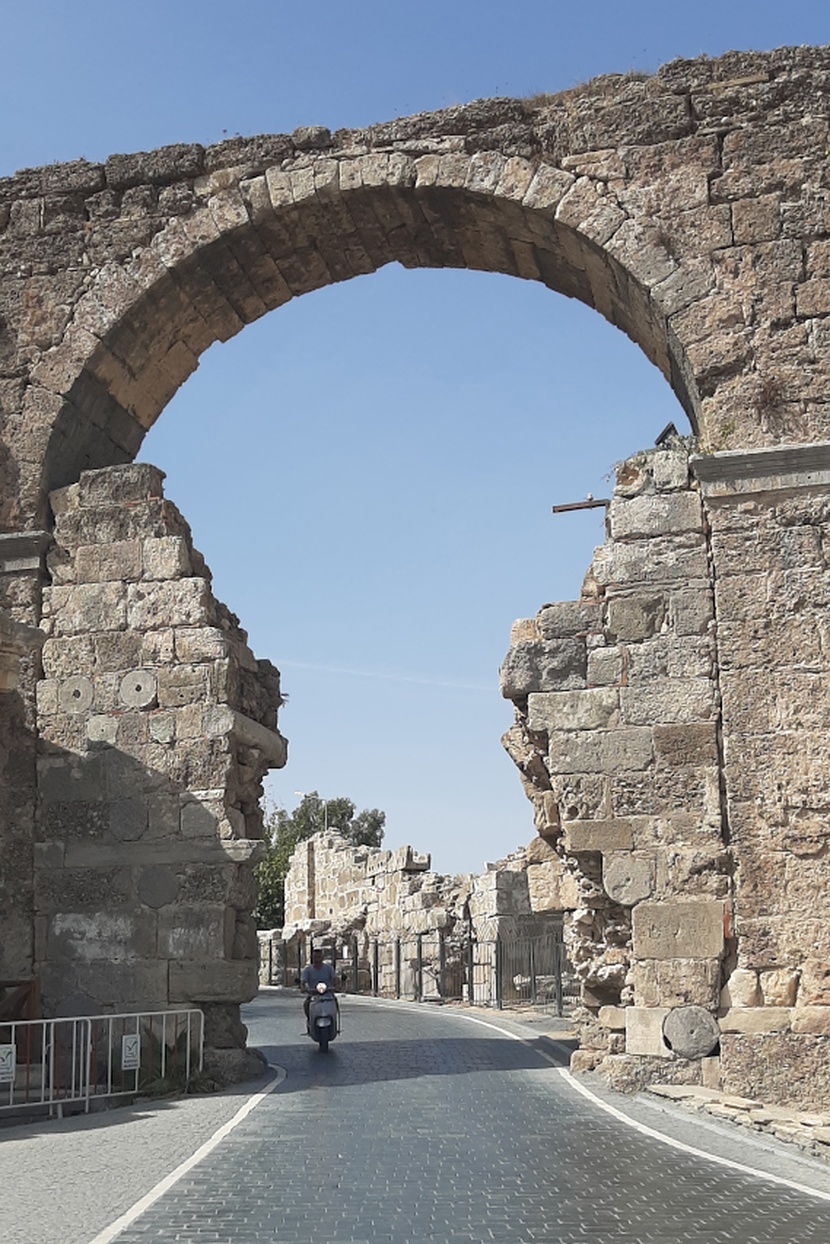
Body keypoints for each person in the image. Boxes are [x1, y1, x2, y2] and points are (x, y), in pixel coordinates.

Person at [300, 947, 338, 1022]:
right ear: (312, 958)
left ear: (322, 958)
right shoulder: (307, 970)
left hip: (328, 995)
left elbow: (335, 979)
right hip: (313, 995)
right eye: (315, 957)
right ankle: (310, 1021)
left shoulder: (329, 969)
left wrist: (337, 986)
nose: (317, 960)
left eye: (319, 957)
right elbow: (303, 982)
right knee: (306, 1004)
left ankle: (333, 1022)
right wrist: (303, 988)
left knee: (335, 1003)